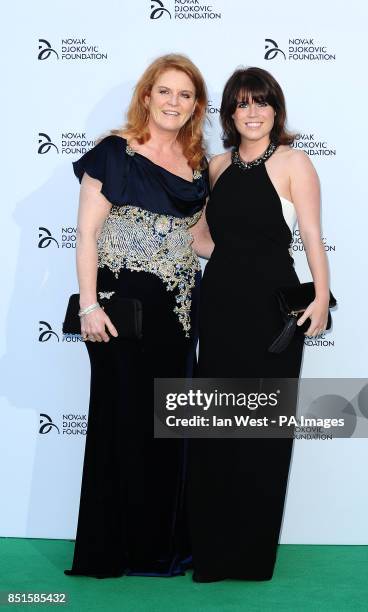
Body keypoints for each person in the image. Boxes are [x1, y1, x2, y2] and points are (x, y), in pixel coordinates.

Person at [64, 54, 209, 578]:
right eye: (165, 91)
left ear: (196, 106)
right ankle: (111, 550)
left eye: (185, 95)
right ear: (146, 96)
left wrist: (259, 228)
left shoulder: (196, 165)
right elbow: (86, 234)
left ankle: (158, 548)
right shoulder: (114, 152)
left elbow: (198, 240)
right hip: (120, 310)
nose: (174, 102)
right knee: (119, 423)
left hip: (177, 316)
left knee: (166, 428)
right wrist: (88, 303)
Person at [187, 67, 330, 582]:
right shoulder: (217, 165)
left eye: (260, 102)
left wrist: (319, 298)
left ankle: (249, 556)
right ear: (229, 114)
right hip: (221, 303)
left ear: (275, 110)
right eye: (241, 104)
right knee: (217, 425)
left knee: (263, 428)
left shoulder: (295, 162)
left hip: (273, 310)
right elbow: (202, 236)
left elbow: (312, 234)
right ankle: (211, 549)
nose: (251, 112)